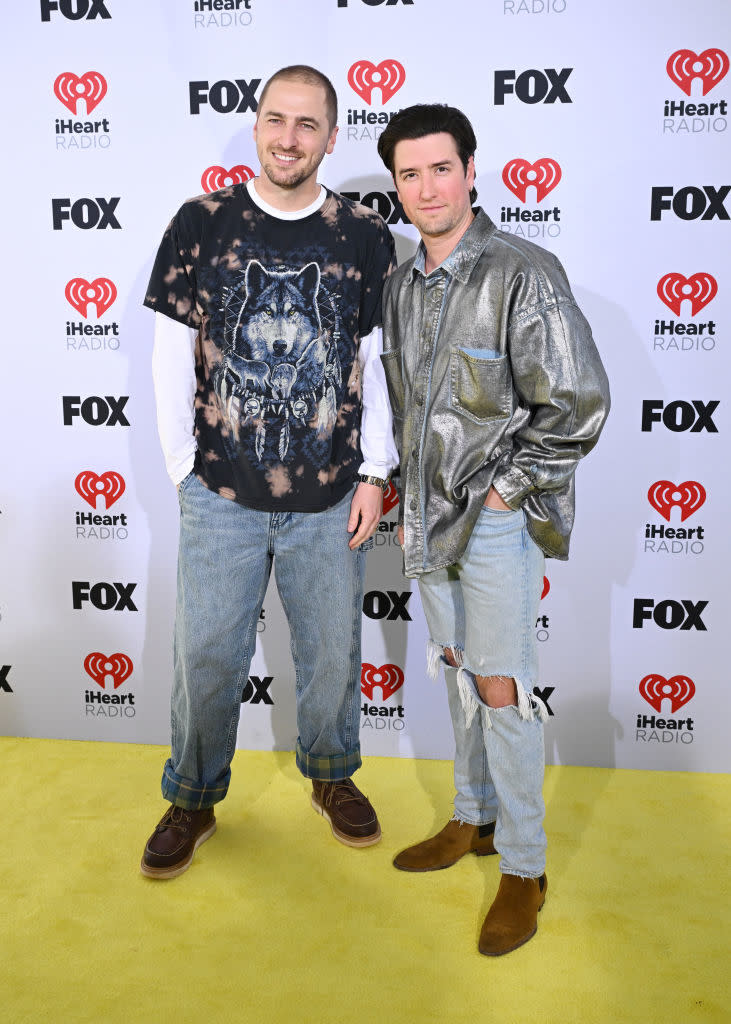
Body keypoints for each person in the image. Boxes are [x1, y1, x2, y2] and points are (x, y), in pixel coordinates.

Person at [140, 65, 397, 879]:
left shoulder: (362, 235)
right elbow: (165, 355)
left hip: (330, 492)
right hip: (220, 490)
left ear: (331, 134)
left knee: (330, 651)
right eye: (276, 120)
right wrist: (184, 466)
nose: (289, 138)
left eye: (308, 124)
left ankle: (332, 778)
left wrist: (375, 471)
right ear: (255, 126)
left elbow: (374, 362)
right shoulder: (200, 223)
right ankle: (192, 796)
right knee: (207, 654)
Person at [376, 104, 609, 955]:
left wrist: (508, 490)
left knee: (502, 687)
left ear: (473, 171)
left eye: (441, 168)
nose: (426, 187)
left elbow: (578, 402)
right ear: (396, 186)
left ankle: (523, 865)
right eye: (409, 174)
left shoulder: (522, 271)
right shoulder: (401, 286)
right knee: (456, 671)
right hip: (422, 521)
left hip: (492, 524)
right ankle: (471, 820)